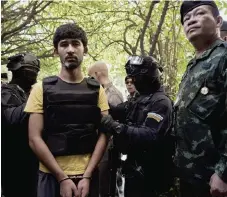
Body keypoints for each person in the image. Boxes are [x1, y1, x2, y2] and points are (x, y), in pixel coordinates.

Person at [24, 23, 109, 197]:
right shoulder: (41, 89)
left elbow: (104, 133)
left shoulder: (97, 90)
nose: (70, 49)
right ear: (56, 51)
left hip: (88, 176)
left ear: (84, 49)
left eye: (75, 44)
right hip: (51, 176)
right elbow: (34, 138)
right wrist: (62, 178)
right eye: (64, 44)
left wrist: (87, 175)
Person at [100, 56, 174, 197]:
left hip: (152, 173)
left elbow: (150, 135)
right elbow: (116, 110)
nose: (133, 81)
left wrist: (115, 126)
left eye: (135, 77)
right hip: (134, 169)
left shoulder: (160, 102)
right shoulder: (139, 99)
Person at [174, 1, 227, 197]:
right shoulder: (193, 66)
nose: (191, 20)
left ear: (218, 21)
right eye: (186, 19)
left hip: (216, 180)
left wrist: (224, 173)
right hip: (191, 177)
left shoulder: (223, 57)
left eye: (199, 14)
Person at [1, 53, 40, 197]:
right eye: (30, 71)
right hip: (14, 163)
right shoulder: (6, 92)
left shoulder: (26, 93)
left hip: (29, 161)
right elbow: (10, 118)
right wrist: (38, 100)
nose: (34, 75)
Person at [88, 61, 123, 197]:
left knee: (106, 185)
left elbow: (116, 123)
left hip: (109, 148)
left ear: (97, 74)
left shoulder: (113, 94)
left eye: (91, 76)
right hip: (101, 146)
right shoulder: (101, 91)